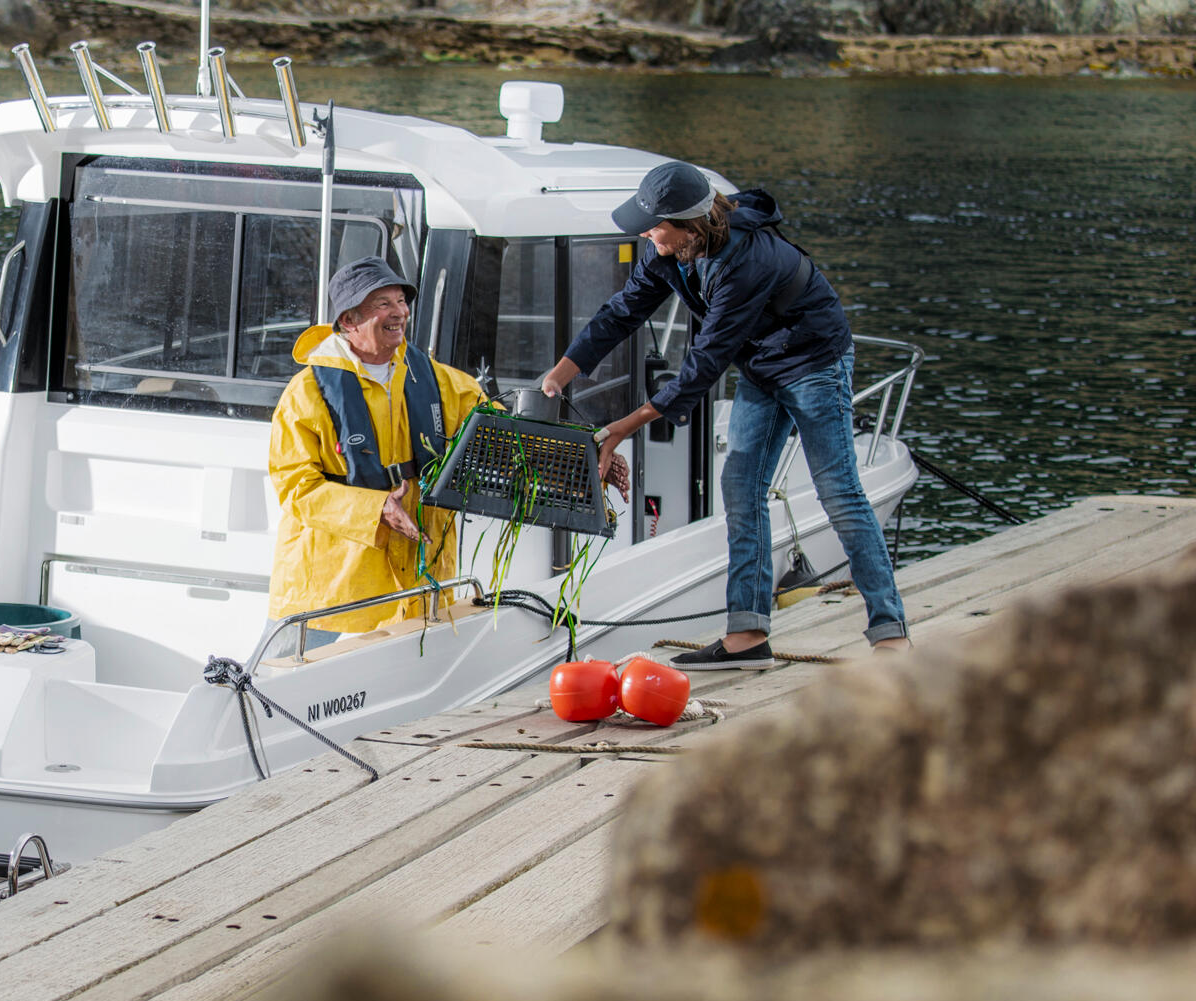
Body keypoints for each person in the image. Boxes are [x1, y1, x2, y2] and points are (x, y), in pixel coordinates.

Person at [539, 160, 910, 669]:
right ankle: (747, 637)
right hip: (761, 365)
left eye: (653, 225)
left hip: (814, 363)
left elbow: (704, 365)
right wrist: (561, 373)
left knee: (838, 492)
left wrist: (623, 428)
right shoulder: (668, 251)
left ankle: (891, 637)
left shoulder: (747, 261)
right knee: (740, 487)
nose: (645, 234)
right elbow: (622, 312)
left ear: (689, 225)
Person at [267, 256, 488, 647]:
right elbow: (295, 486)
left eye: (401, 301)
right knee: (281, 673)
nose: (399, 312)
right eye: (383, 304)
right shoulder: (305, 393)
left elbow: (498, 431)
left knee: (409, 673)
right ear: (349, 321)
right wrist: (377, 509)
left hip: (419, 574)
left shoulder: (442, 381)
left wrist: (575, 454)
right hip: (330, 581)